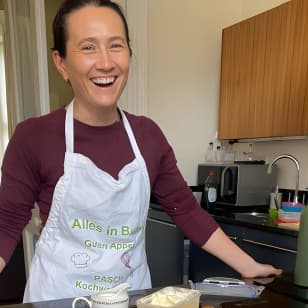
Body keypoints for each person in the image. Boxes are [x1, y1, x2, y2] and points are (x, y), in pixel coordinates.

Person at [0, 0, 282, 303]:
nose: (106, 62)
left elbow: (186, 211)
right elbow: (6, 221)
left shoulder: (148, 136)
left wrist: (249, 266)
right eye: (88, 47)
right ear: (61, 62)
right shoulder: (34, 136)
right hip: (59, 298)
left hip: (130, 296)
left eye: (116, 45)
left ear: (129, 55)